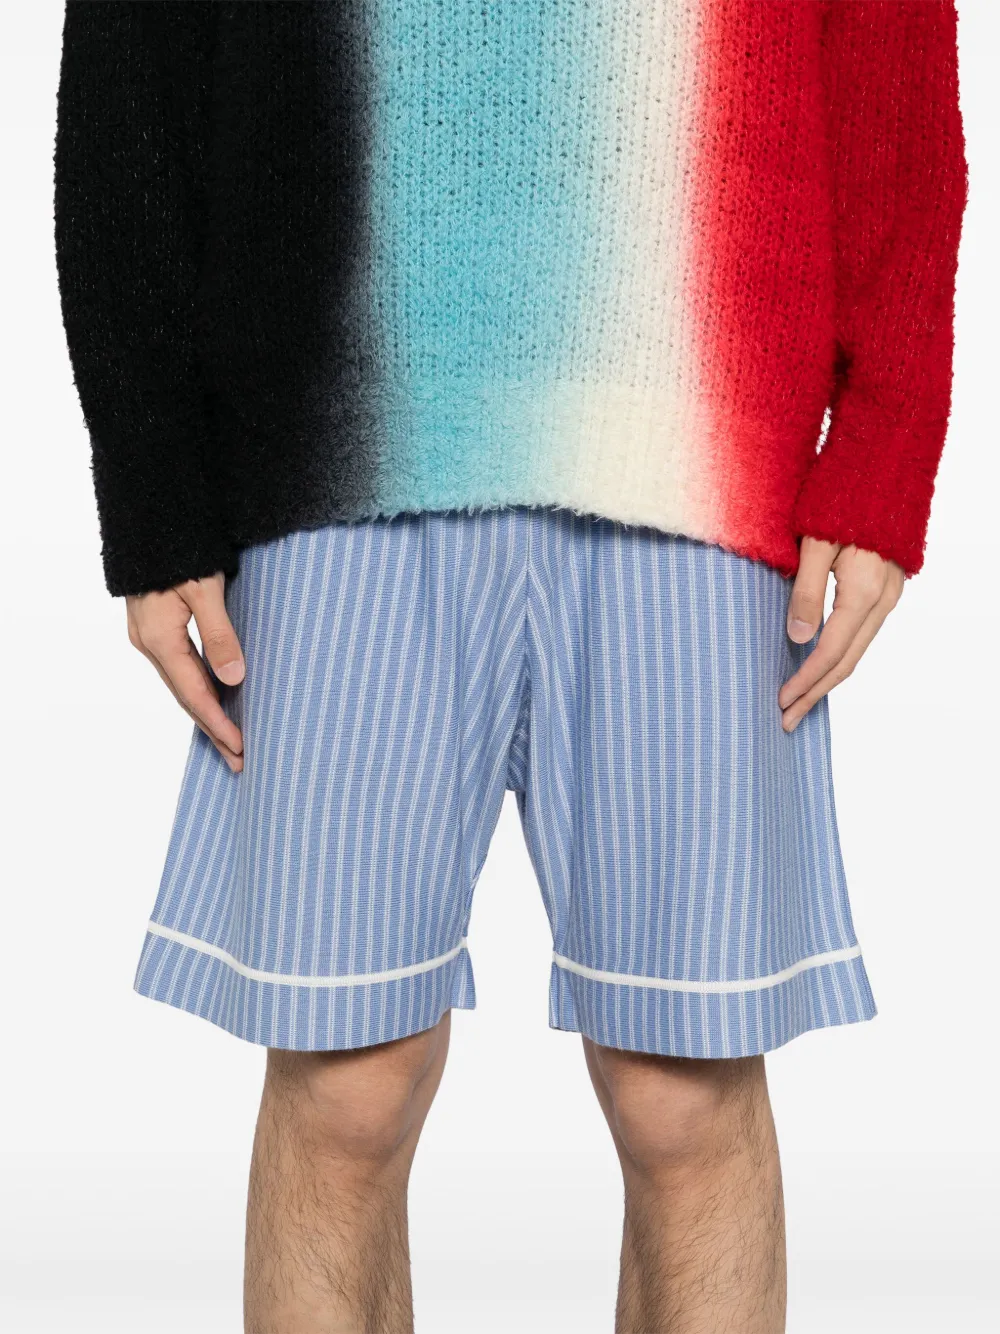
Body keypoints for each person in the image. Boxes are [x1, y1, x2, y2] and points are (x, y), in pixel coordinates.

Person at [54, 3, 967, 1330]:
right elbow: (132, 45)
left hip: (702, 415)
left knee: (684, 1093)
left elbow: (894, 42)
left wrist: (887, 430)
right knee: (344, 1085)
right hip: (333, 412)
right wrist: (152, 478)